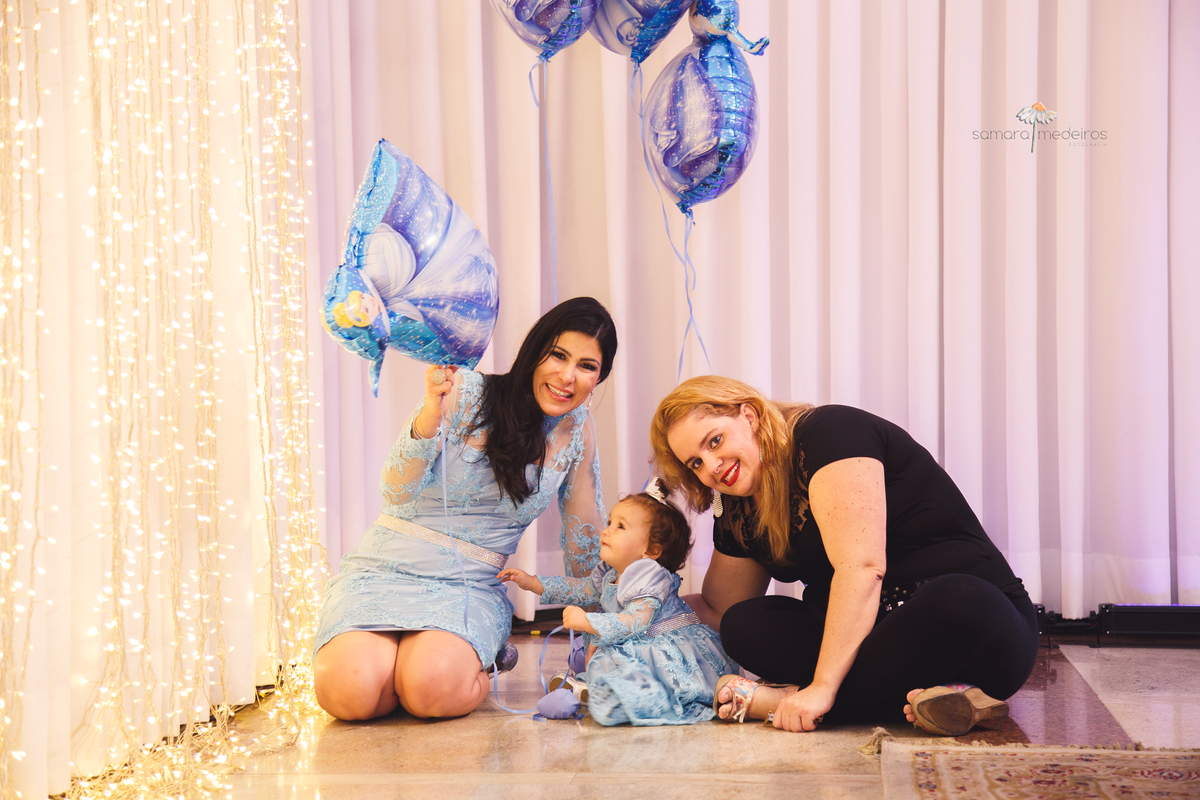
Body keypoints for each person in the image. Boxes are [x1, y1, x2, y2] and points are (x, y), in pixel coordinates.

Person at [649, 376, 1039, 735]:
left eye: (714, 441)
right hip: (875, 645)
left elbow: (863, 569)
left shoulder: (828, 433)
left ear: (748, 415)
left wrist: (820, 687)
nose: (712, 467)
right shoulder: (735, 504)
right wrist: (634, 614)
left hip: (973, 630)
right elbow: (719, 607)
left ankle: (797, 701)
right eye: (695, 463)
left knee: (961, 600)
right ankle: (938, 699)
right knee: (744, 624)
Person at [313, 296, 617, 721]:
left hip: (467, 585)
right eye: (558, 355)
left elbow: (584, 532)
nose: (568, 376)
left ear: (599, 377)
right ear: (535, 352)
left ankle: (461, 659)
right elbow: (395, 495)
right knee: (349, 694)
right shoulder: (467, 391)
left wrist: (598, 629)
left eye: (587, 366)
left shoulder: (577, 430)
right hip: (385, 569)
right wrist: (428, 416)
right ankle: (405, 666)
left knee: (429, 690)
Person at [498, 480, 740, 726]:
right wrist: (533, 582)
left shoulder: (650, 576)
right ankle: (590, 687)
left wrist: (588, 621)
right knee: (593, 657)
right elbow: (580, 589)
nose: (607, 530)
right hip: (639, 643)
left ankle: (604, 695)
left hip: (662, 646)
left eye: (621, 526)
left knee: (646, 682)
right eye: (610, 522)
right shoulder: (610, 573)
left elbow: (635, 622)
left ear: (651, 550)